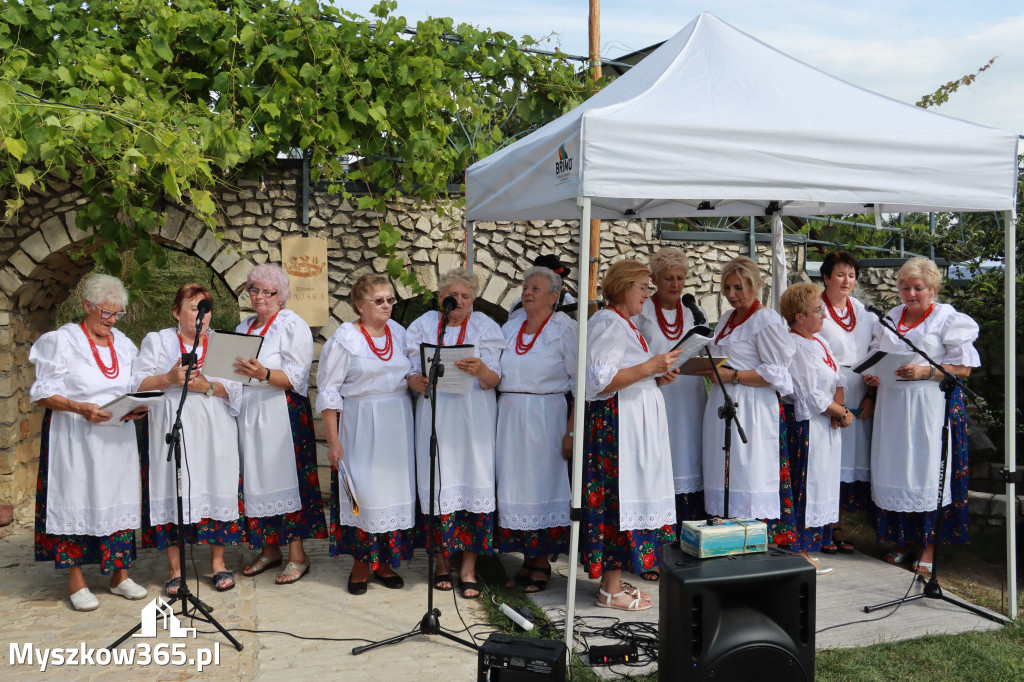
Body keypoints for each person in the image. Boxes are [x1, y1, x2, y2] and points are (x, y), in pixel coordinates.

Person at [29, 274, 149, 611]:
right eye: (105, 313)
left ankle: (119, 576)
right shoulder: (62, 341)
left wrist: (137, 406)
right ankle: (77, 582)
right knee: (77, 500)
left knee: (118, 500)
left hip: (117, 438)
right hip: (75, 437)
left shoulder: (124, 344)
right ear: (87, 306)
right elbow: (42, 392)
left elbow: (134, 384)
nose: (110, 321)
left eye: (117, 315)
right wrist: (79, 407)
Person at [865, 257, 979, 574]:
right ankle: (901, 540)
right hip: (893, 404)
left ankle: (926, 547)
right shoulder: (889, 317)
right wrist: (873, 377)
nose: (911, 293)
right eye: (905, 287)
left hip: (927, 406)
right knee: (897, 469)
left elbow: (964, 368)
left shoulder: (947, 318)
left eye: (918, 288)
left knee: (925, 473)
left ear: (932, 289)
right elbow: (876, 357)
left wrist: (925, 371)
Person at [582, 259, 680, 612]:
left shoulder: (627, 323)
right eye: (644, 287)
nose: (648, 294)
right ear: (624, 287)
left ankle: (615, 581)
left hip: (632, 424)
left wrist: (655, 375)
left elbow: (628, 373)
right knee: (616, 500)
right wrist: (649, 367)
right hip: (616, 426)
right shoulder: (608, 321)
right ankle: (609, 590)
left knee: (628, 499)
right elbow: (600, 380)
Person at [135, 284, 244, 594]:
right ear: (176, 312)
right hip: (173, 425)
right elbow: (137, 383)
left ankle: (218, 564)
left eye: (206, 308)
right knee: (172, 487)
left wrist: (207, 387)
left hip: (215, 429)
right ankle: (175, 569)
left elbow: (237, 390)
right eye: (195, 307)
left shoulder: (223, 344)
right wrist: (169, 378)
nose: (202, 315)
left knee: (215, 483)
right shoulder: (157, 341)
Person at [405, 267, 503, 599]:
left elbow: (494, 380)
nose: (458, 301)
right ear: (440, 298)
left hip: (474, 417)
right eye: (453, 296)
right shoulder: (421, 327)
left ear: (473, 299)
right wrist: (414, 381)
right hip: (436, 416)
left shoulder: (486, 327)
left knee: (474, 481)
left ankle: (468, 568)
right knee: (439, 481)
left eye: (465, 296)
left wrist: (482, 369)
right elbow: (408, 372)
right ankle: (443, 565)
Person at [317, 274, 416, 595]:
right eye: (379, 300)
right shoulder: (345, 339)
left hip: (398, 424)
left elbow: (411, 374)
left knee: (392, 495)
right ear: (359, 305)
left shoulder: (400, 334)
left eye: (390, 300)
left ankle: (384, 562)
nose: (387, 305)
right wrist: (333, 442)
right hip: (361, 424)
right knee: (365, 495)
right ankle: (362, 564)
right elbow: (329, 392)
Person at [233, 264, 326, 584]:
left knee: (287, 482)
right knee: (257, 481)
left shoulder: (291, 325)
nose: (259, 297)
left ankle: (298, 556)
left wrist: (264, 374)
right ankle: (269, 549)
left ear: (282, 296)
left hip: (282, 412)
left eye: (267, 292)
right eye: (254, 290)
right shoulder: (242, 327)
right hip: (248, 413)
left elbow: (298, 378)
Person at [697, 257, 796, 543]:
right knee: (725, 468)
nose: (731, 294)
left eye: (738, 287)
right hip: (723, 402)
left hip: (751, 406)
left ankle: (755, 538)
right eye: (727, 287)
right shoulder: (728, 318)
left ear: (756, 286)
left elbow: (777, 373)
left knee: (748, 470)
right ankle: (727, 537)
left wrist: (734, 375)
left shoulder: (764, 320)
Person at [496, 266, 577, 593]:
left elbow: (579, 383)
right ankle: (526, 559)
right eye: (525, 287)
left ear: (555, 296)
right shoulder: (510, 327)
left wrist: (571, 431)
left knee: (543, 487)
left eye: (536, 288)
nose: (527, 292)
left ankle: (541, 562)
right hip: (511, 416)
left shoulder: (564, 329)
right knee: (516, 487)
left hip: (547, 414)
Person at [634, 247, 708, 555]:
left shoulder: (692, 312)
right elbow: (633, 355)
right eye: (668, 278)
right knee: (658, 462)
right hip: (655, 395)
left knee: (688, 460)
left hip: (689, 396)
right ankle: (656, 543)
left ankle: (689, 540)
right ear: (653, 279)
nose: (675, 285)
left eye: (680, 278)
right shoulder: (641, 312)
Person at [779, 283, 853, 575]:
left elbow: (837, 377)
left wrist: (839, 408)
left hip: (826, 425)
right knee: (804, 486)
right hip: (806, 425)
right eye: (818, 310)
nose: (823, 315)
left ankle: (811, 545)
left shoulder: (819, 342)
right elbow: (808, 393)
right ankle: (796, 549)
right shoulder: (794, 345)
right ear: (799, 317)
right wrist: (842, 412)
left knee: (822, 483)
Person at [817, 251, 878, 553]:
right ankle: (826, 526)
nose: (847, 280)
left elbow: (878, 352)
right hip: (828, 391)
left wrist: (871, 394)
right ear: (826, 277)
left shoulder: (864, 311)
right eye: (840, 274)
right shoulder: (815, 309)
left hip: (860, 390)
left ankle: (837, 521)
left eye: (851, 275)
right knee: (827, 459)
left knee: (848, 462)